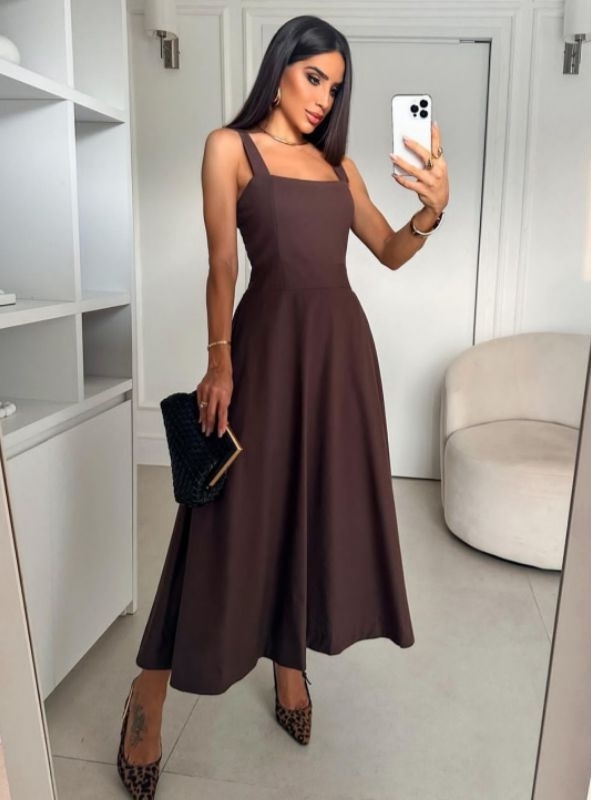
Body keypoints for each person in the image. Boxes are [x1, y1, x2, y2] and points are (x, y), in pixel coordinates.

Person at [117, 14, 449, 799]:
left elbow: (389, 251)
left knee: (313, 508)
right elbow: (221, 265)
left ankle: (289, 663)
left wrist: (432, 211)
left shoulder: (340, 168)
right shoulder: (229, 148)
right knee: (222, 518)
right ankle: (148, 692)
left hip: (340, 358)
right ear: (280, 69)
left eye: (336, 87)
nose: (324, 98)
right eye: (313, 77)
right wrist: (219, 361)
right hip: (264, 351)